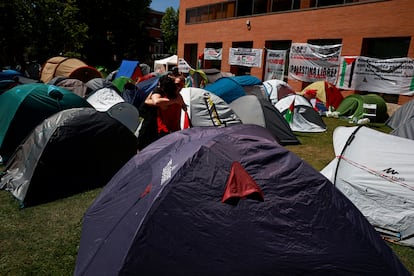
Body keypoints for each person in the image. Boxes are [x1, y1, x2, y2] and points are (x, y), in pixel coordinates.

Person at [137, 73, 187, 150]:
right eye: (177, 85)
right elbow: (153, 101)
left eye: (181, 86)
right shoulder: (176, 97)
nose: (179, 88)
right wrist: (175, 101)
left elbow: (155, 102)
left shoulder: (166, 100)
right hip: (169, 130)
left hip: (166, 131)